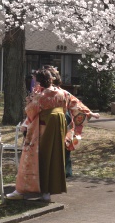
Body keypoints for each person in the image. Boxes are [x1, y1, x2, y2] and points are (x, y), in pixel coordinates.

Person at [8, 68, 99, 201]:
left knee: (33, 159)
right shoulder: (62, 93)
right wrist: (89, 113)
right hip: (57, 131)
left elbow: (31, 112)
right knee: (54, 159)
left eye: (35, 80)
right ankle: (47, 193)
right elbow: (75, 104)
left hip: (41, 131)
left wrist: (29, 101)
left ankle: (23, 190)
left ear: (39, 81)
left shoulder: (41, 96)